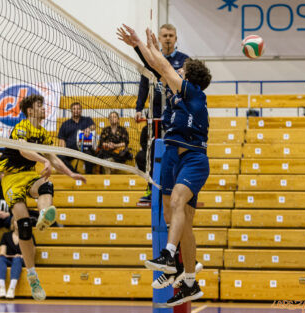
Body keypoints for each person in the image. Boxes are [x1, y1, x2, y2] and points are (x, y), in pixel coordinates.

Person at [118, 25, 212, 305]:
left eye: (181, 71)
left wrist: (140, 44)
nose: (177, 72)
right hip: (175, 155)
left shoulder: (193, 92)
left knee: (177, 206)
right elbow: (158, 66)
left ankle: (170, 256)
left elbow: (161, 64)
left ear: (189, 77)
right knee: (179, 222)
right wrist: (143, 48)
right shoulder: (179, 93)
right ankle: (189, 280)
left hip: (194, 158)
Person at [0, 94, 86, 300]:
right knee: (24, 227)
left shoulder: (44, 134)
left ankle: (45, 215)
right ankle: (32, 275)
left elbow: (53, 158)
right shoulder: (21, 127)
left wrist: (70, 173)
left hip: (28, 175)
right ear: (30, 110)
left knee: (47, 185)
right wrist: (42, 160)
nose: (44, 108)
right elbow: (23, 149)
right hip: (11, 178)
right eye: (40, 106)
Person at [134, 24, 189, 203]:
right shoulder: (152, 60)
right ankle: (151, 188)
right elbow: (144, 85)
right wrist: (138, 107)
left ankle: (178, 189)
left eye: (170, 35)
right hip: (156, 114)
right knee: (151, 151)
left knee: (176, 152)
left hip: (177, 114)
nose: (167, 38)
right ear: (159, 38)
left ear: (176, 38)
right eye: (164, 35)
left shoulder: (184, 60)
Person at [58, 102, 96, 174]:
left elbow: (93, 126)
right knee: (60, 157)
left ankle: (89, 176)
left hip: (84, 149)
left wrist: (89, 129)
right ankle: (74, 173)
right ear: (71, 110)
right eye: (74, 109)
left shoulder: (87, 120)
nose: (76, 110)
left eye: (78, 109)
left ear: (81, 110)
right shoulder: (65, 124)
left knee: (90, 156)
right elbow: (62, 139)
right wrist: (62, 150)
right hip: (70, 150)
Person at [0, 220, 24, 299]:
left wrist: (21, 256)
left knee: (17, 259)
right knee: (0, 259)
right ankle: (2, 288)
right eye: (16, 220)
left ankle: (11, 289)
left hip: (21, 260)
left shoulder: (28, 236)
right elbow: (2, 253)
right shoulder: (6, 235)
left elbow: (31, 253)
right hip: (9, 259)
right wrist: (14, 255)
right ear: (13, 223)